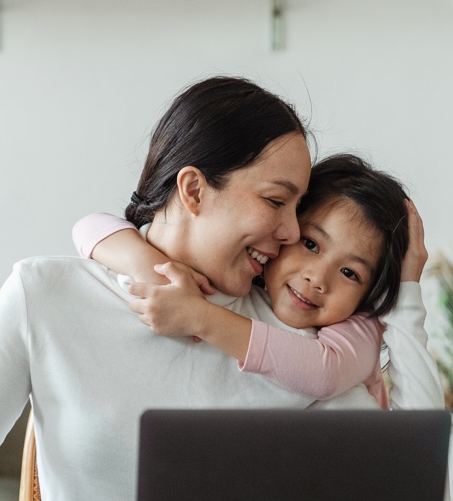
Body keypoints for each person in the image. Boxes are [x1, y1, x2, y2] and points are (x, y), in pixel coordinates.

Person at [0, 76, 443, 501]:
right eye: (274, 201)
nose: (291, 233)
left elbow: (412, 487)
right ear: (193, 189)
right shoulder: (45, 294)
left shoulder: (302, 335)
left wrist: (408, 293)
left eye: (298, 208)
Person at [72, 154, 418, 407]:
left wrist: (200, 317)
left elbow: (324, 373)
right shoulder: (246, 279)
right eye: (310, 244)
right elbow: (89, 225)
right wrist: (150, 266)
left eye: (349, 273)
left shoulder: (360, 325)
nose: (317, 278)